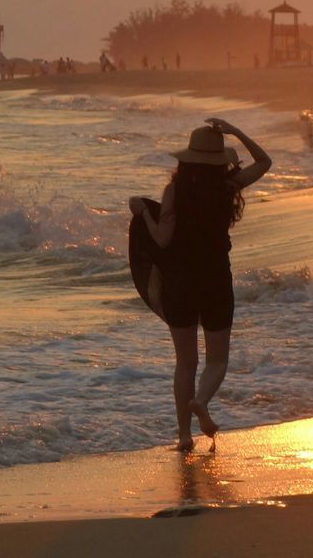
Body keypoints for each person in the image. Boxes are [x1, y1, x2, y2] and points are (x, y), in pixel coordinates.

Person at [129, 118, 272, 451]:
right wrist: (237, 131)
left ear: (187, 158)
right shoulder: (229, 186)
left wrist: (143, 214)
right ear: (219, 159)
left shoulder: (174, 191)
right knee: (217, 361)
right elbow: (265, 162)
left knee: (185, 363)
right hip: (216, 279)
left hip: (179, 282)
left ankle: (183, 436)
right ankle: (202, 400)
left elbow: (163, 240)